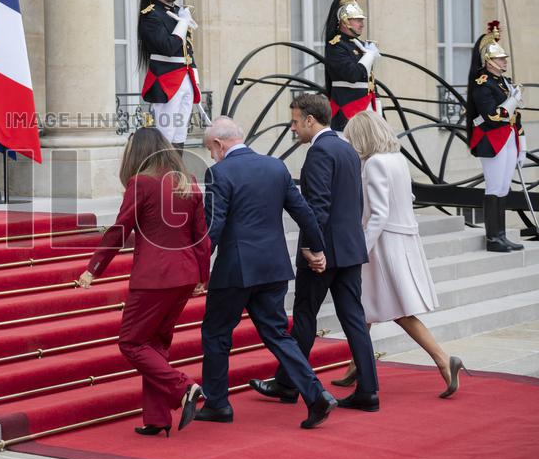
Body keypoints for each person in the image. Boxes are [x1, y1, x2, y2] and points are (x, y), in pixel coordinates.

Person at [197, 117, 337, 429]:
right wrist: (317, 248)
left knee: (216, 334)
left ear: (219, 145)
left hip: (235, 270)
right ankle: (316, 395)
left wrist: (199, 268)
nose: (211, 156)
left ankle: (218, 404)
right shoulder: (276, 167)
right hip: (273, 267)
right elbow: (304, 211)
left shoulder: (219, 172)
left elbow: (213, 226)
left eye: (210, 149)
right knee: (277, 334)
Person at [250, 93, 380, 411]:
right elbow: (354, 203)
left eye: (295, 122)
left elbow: (317, 208)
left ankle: (286, 383)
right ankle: (369, 390)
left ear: (311, 120)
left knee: (305, 316)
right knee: (353, 318)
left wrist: (312, 249)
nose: (293, 128)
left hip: (325, 252)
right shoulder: (347, 149)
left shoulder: (320, 152)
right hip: (350, 249)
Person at [77, 127, 210, 436]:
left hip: (154, 278)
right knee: (156, 345)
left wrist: (94, 268)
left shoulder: (142, 183)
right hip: (185, 275)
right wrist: (203, 275)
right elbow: (201, 235)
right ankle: (158, 418)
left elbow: (119, 230)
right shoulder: (186, 182)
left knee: (132, 342)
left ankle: (183, 387)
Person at [337, 111, 466, 398]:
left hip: (383, 243)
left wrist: (361, 249)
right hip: (401, 237)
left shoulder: (374, 164)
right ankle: (355, 364)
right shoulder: (396, 159)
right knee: (365, 305)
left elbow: (379, 214)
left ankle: (443, 360)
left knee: (396, 310)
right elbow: (407, 199)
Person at [466, 20, 527, 253]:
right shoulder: (482, 84)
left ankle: (501, 234)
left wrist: (522, 144)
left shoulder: (503, 82)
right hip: (491, 139)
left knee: (503, 188)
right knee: (493, 187)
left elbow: (515, 118)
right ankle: (493, 238)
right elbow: (493, 116)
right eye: (500, 59)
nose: (504, 61)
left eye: (504, 58)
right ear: (488, 62)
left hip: (508, 138)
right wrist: (513, 100)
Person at [136, 0, 203, 151]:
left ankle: (176, 176)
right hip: (166, 80)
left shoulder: (175, 13)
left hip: (185, 78)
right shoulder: (151, 16)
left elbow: (187, 52)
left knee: (181, 131)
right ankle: (162, 177)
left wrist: (194, 77)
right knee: (166, 134)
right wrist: (183, 23)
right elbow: (168, 47)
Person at [323, 0, 380, 132]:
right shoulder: (336, 45)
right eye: (356, 20)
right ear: (344, 20)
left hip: (367, 108)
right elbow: (353, 75)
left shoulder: (358, 44)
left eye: (361, 19)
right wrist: (369, 55)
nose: (362, 23)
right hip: (347, 111)